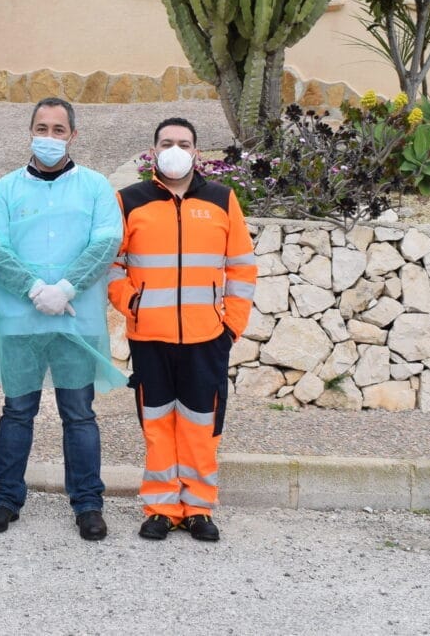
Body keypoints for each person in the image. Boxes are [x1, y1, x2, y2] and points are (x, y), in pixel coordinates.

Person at [0, 97, 125, 542]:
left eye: (58, 130)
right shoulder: (6, 189)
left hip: (76, 322)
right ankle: (5, 499)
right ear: (30, 132)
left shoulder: (95, 187)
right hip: (20, 320)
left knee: (78, 413)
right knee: (17, 411)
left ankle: (88, 504)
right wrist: (34, 289)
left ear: (73, 135)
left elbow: (106, 242)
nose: (49, 137)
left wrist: (67, 288)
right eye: (41, 128)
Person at [108, 117, 257, 542]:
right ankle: (161, 507)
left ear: (197, 152)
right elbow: (112, 264)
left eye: (184, 143)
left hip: (207, 338)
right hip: (149, 337)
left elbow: (242, 267)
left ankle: (198, 508)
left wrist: (231, 327)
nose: (175, 149)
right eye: (167, 142)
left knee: (200, 425)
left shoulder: (222, 199)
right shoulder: (129, 200)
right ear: (153, 150)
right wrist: (131, 303)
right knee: (156, 424)